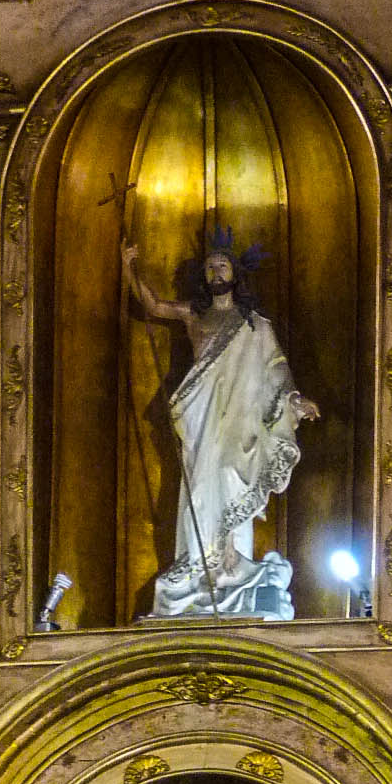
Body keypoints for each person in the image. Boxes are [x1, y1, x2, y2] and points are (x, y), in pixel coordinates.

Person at [122, 227, 318, 621]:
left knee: (231, 474)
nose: (215, 272)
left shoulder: (257, 328)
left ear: (235, 274)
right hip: (202, 417)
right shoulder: (196, 315)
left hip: (241, 422)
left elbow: (276, 370)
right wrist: (128, 266)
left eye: (222, 265)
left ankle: (229, 564)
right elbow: (155, 305)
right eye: (210, 267)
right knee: (200, 487)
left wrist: (295, 401)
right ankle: (198, 569)